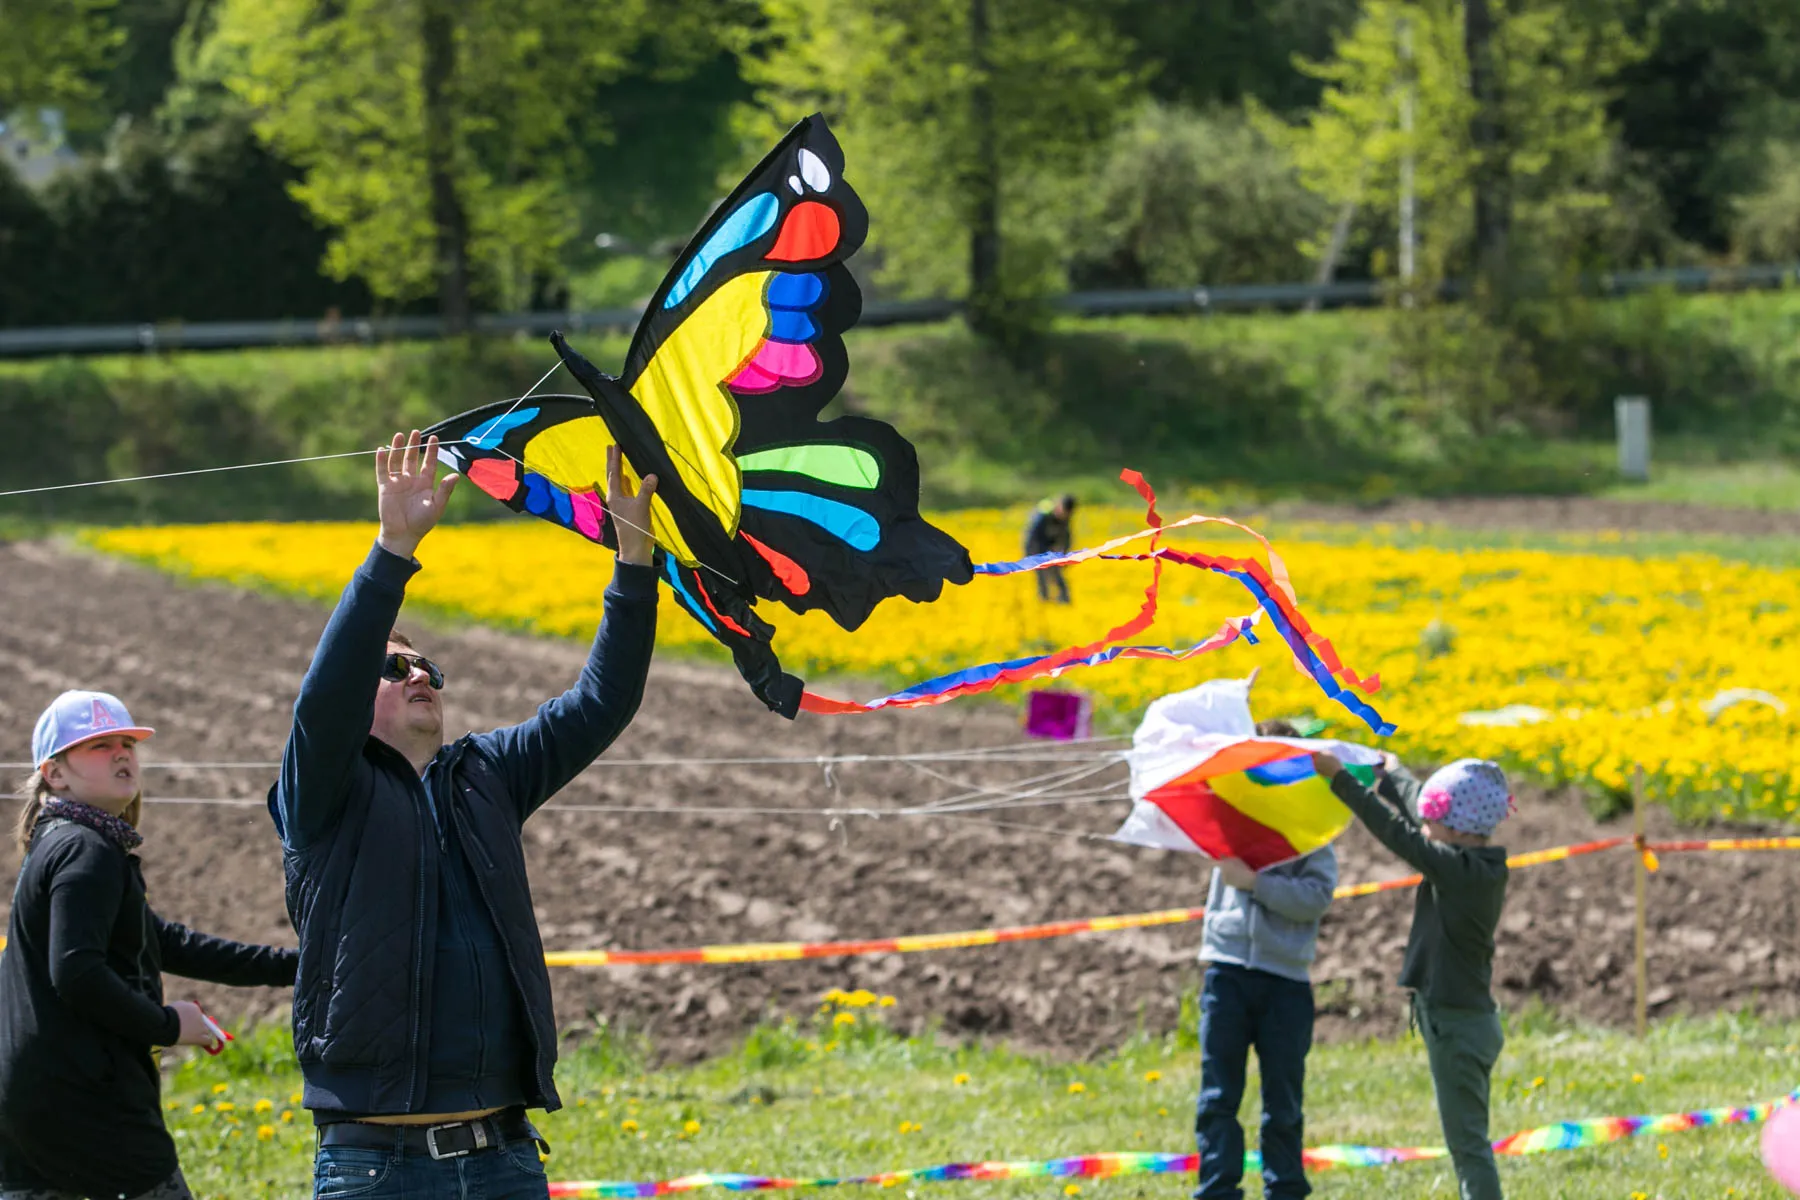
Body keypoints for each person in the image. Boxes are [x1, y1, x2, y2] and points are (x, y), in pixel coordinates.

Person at [271, 431, 659, 1199]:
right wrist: (393, 551)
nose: (419, 675)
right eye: (395, 667)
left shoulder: (488, 773)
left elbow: (600, 704)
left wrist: (634, 561)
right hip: (374, 1166)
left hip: (505, 1156)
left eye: (428, 668)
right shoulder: (323, 791)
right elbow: (324, 698)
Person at [0, 690, 298, 1200]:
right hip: (85, 1103)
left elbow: (164, 942)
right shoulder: (85, 850)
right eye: (98, 745)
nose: (121, 753)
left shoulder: (65, 842)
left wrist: (296, 965)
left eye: (126, 743)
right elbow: (76, 973)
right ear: (55, 773)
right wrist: (166, 1023)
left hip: (34, 1104)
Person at [1311, 751, 1513, 1200]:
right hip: (1459, 1023)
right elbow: (1420, 813)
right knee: (1466, 1144)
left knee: (1469, 1148)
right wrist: (1393, 772)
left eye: (1433, 819)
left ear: (1460, 829)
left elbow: (1400, 836)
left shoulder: (1462, 873)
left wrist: (1341, 781)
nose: (1425, 823)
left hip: (1458, 1028)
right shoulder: (1470, 861)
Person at [1192, 750, 1336, 1200]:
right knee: (1218, 1096)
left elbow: (1314, 899)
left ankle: (1286, 1189)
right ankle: (1217, 1189)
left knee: (1283, 1100)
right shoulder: (1228, 821)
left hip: (1285, 982)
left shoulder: (1313, 836)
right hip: (1228, 973)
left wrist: (1255, 884)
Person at [1023, 494, 1076, 603]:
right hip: (1036, 546)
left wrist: (1065, 557)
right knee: (1041, 575)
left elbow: (1067, 538)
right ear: (1059, 507)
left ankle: (1064, 602)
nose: (1065, 516)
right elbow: (1031, 537)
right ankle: (1044, 601)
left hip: (1050, 546)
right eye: (1064, 513)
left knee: (1057, 574)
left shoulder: (1066, 516)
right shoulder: (1043, 513)